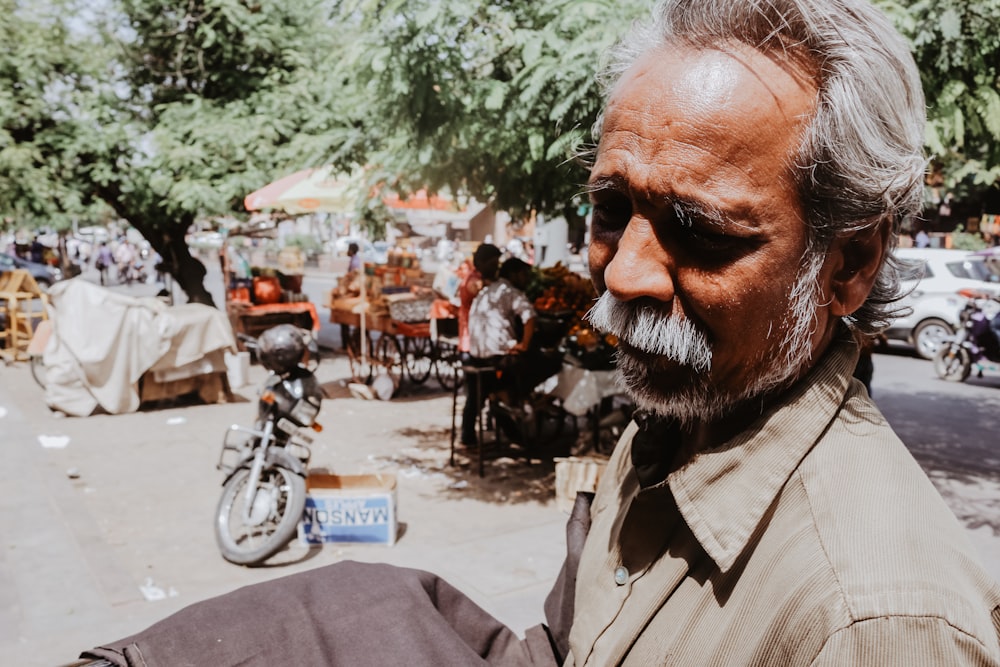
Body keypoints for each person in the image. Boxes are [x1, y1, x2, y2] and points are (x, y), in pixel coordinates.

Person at [80, 1, 1000, 665]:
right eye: (611, 208)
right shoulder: (680, 424)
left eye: (703, 231)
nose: (625, 271)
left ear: (848, 264)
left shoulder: (877, 622)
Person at [460, 255, 535, 446]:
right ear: (515, 275)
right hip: (493, 359)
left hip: (477, 357)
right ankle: (511, 406)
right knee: (534, 365)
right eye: (524, 275)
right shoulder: (509, 292)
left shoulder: (487, 291)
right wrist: (524, 344)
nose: (527, 279)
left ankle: (502, 419)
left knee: (480, 394)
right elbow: (529, 316)